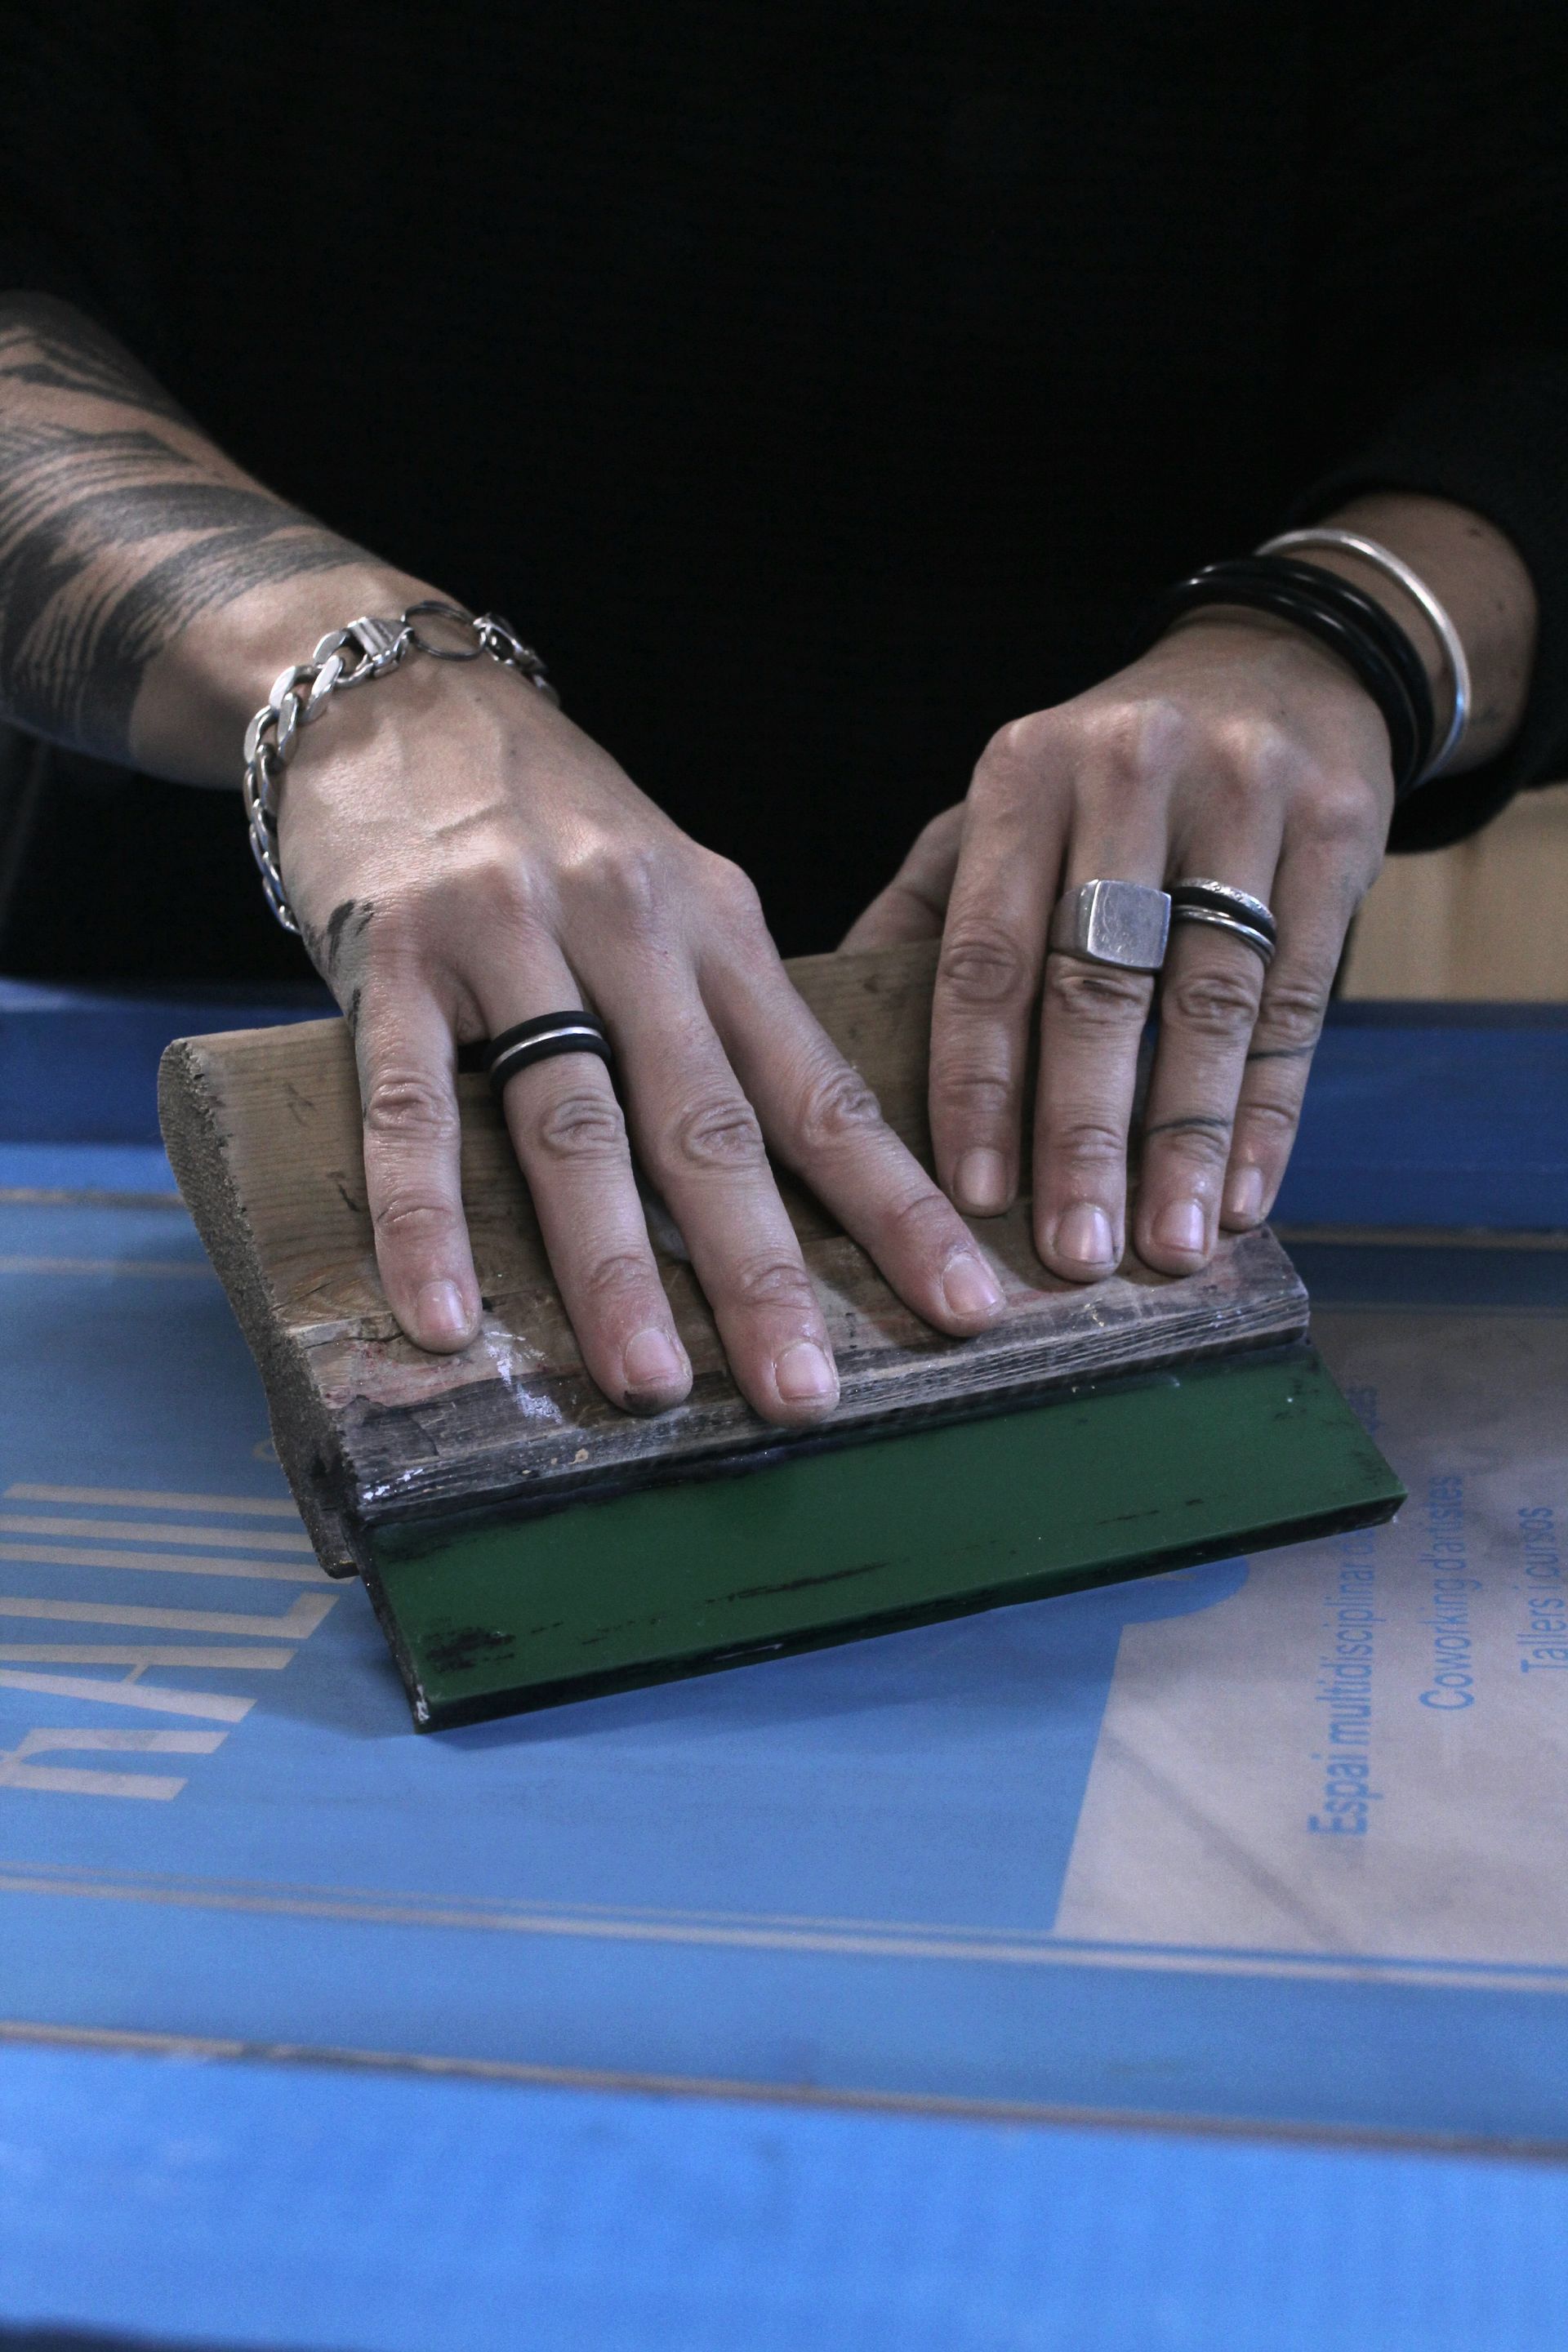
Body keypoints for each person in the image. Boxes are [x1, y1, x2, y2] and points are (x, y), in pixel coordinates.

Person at [0, 5, 1561, 1427]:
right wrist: (355, 687)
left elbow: (1514, 330)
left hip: (1134, 1099)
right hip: (224, 1063)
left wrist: (1342, 633)